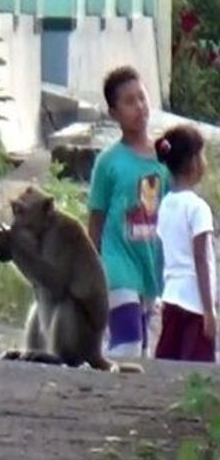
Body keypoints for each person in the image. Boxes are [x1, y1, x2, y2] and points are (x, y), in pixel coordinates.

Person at [87, 66, 171, 358]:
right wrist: (93, 266)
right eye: (129, 102)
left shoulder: (164, 157)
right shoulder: (108, 162)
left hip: (150, 264)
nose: (139, 107)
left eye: (142, 98)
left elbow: (172, 208)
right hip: (117, 264)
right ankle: (109, 398)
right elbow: (96, 218)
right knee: (128, 343)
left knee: (144, 347)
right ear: (114, 113)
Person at [154, 125, 216, 363]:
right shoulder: (198, 207)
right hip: (194, 301)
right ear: (193, 162)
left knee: (170, 364)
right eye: (201, 155)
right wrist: (209, 310)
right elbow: (201, 259)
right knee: (197, 372)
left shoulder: (166, 204)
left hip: (171, 297)